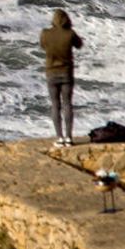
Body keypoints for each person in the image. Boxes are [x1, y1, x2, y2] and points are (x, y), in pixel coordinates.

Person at [41, 8, 84, 147]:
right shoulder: (70, 34)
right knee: (67, 104)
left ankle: (59, 137)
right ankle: (69, 137)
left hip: (51, 72)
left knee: (55, 105)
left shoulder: (45, 33)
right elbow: (79, 45)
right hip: (66, 73)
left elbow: (43, 46)